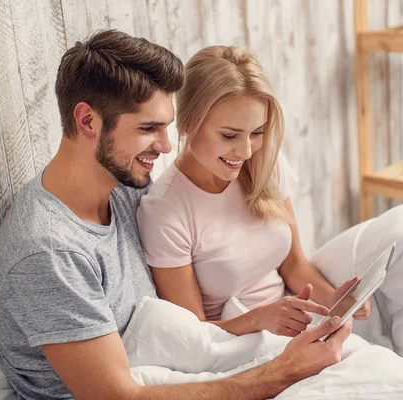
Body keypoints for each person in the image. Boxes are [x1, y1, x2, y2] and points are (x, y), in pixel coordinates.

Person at [0, 29, 352, 400]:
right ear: (87, 121)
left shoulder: (124, 188)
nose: (164, 146)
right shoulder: (49, 252)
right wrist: (283, 371)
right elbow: (120, 397)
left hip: (174, 363)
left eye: (165, 126)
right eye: (148, 129)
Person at [136, 46, 370, 338]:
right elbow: (192, 335)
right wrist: (259, 320)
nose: (245, 151)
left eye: (257, 132)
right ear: (186, 123)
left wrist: (337, 302)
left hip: (295, 328)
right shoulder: (165, 211)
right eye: (229, 135)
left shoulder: (265, 165)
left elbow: (295, 265)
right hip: (238, 348)